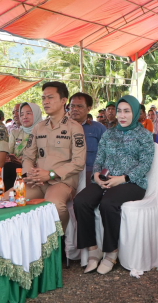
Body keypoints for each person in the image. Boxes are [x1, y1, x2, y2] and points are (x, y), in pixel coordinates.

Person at [74, 95, 154, 274]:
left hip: (132, 182)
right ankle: (93, 249)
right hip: (106, 179)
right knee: (81, 201)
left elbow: (145, 164)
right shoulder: (109, 133)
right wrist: (96, 174)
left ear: (135, 113)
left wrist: (123, 178)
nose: (122, 115)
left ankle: (111, 252)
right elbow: (99, 158)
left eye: (127, 111)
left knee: (108, 204)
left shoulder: (144, 136)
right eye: (119, 111)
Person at [22, 82, 86, 231]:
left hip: (61, 182)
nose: (45, 102)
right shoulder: (39, 127)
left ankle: (58, 242)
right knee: (9, 199)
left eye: (50, 97)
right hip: (37, 181)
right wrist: (29, 173)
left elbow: (78, 162)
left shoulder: (74, 127)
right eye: (43, 98)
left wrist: (50, 174)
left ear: (63, 101)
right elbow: (28, 156)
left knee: (54, 205)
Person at [68, 92, 106, 182]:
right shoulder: (61, 128)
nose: (75, 109)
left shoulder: (98, 128)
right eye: (72, 106)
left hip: (91, 174)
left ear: (88, 109)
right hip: (66, 174)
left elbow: (108, 153)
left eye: (79, 106)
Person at [7, 102, 42, 189]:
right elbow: (8, 152)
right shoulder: (15, 133)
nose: (24, 117)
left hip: (36, 171)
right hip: (15, 168)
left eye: (28, 113)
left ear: (37, 114)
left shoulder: (44, 133)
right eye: (22, 114)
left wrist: (25, 162)